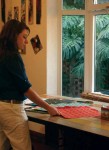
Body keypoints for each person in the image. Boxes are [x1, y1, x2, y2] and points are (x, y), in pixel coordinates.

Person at [0, 19, 60, 150]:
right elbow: (26, 89)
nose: (26, 42)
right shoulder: (13, 57)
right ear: (14, 35)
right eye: (24, 37)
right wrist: (48, 108)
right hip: (11, 110)